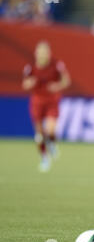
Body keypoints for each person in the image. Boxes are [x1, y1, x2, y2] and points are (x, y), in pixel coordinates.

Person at [22, 41, 71, 172]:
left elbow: (66, 81)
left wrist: (57, 86)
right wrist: (30, 83)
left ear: (49, 53)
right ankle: (44, 158)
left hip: (52, 101)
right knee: (39, 134)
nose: (42, 54)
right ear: (36, 53)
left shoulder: (56, 65)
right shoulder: (30, 68)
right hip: (37, 102)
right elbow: (25, 84)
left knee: (50, 130)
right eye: (40, 52)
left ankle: (52, 142)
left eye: (45, 52)